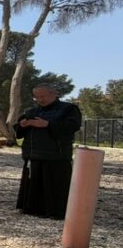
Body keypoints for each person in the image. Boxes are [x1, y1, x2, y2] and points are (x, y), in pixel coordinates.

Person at [14, 83, 82, 219]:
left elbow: (72, 126)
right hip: (34, 154)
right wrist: (22, 125)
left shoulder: (69, 109)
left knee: (56, 186)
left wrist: (47, 124)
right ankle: (33, 209)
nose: (40, 99)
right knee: (34, 184)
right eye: (37, 97)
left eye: (43, 96)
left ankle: (57, 212)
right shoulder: (32, 111)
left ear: (54, 93)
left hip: (57, 155)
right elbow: (18, 130)